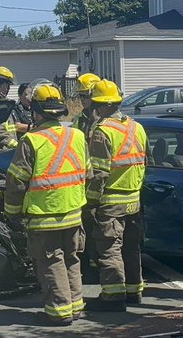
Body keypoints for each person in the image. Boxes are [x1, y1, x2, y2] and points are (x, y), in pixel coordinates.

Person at [4, 83, 89, 326]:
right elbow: (88, 173)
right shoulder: (77, 135)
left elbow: (16, 183)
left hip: (45, 215)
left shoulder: (31, 141)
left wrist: (12, 213)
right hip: (73, 212)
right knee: (71, 259)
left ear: (37, 113)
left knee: (51, 262)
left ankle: (59, 312)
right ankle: (75, 306)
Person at [84, 79, 148, 312]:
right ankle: (134, 291)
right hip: (134, 199)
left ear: (101, 106)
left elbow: (99, 174)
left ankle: (112, 296)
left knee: (109, 248)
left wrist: (91, 202)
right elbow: (144, 162)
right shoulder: (136, 127)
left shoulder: (102, 132)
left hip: (111, 201)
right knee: (131, 248)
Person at [74, 72, 103, 282]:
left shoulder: (103, 119)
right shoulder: (80, 119)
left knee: (99, 231)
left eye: (84, 96)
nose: (81, 100)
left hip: (101, 183)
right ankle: (89, 267)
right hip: (84, 180)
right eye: (80, 96)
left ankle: (96, 268)